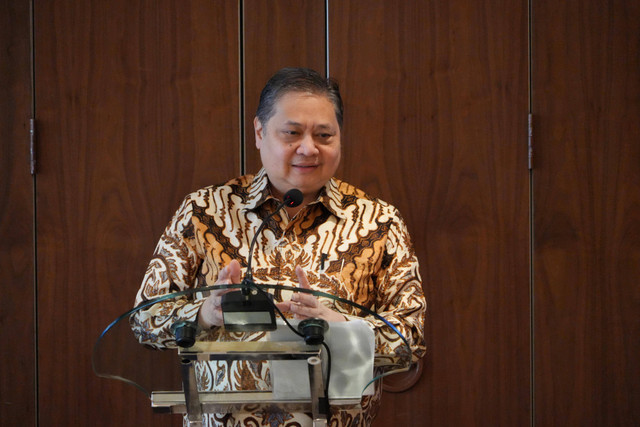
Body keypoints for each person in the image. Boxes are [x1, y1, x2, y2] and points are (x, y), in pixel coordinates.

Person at [131, 67, 426, 427]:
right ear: (259, 132)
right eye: (292, 133)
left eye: (324, 135)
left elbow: (410, 338)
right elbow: (145, 319)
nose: (308, 148)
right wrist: (204, 315)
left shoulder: (378, 221)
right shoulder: (203, 211)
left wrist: (342, 326)